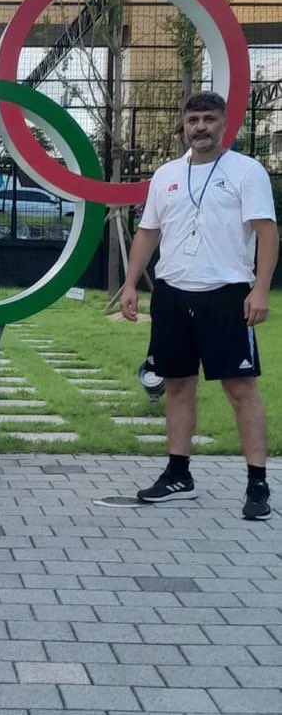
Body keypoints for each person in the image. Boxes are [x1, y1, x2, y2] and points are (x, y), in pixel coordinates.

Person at [120, 91, 279, 521]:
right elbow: (148, 232)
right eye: (193, 120)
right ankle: (178, 475)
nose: (200, 127)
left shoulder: (247, 171)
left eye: (208, 119)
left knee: (240, 389)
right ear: (184, 125)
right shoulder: (167, 175)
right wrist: (131, 283)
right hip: (172, 293)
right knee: (176, 384)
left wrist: (260, 289)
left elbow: (266, 232)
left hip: (226, 293)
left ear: (224, 124)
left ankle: (258, 484)